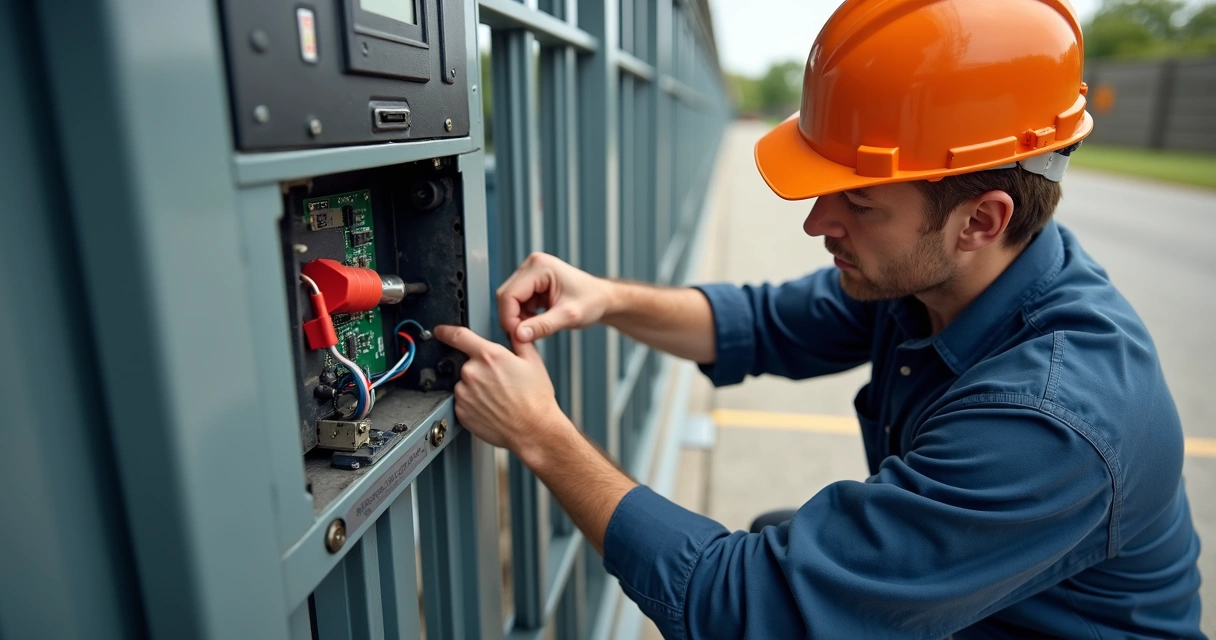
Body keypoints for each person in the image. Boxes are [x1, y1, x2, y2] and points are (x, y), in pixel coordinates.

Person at [434, 0, 1205, 636]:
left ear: (981, 218)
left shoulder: (1050, 421)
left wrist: (540, 434)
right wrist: (604, 297)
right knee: (786, 530)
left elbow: (745, 612)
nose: (816, 223)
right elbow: (762, 323)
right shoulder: (944, 276)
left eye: (859, 203)